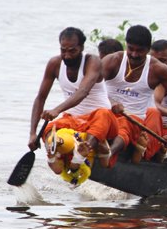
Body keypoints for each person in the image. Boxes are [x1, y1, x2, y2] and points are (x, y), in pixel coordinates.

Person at [29, 27, 118, 184]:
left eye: (72, 51)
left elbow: (82, 92)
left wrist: (56, 109)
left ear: (82, 48)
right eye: (63, 50)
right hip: (74, 120)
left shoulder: (93, 61)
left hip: (100, 119)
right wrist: (33, 133)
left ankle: (82, 154)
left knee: (103, 114)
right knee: (51, 128)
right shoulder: (55, 64)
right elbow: (40, 97)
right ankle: (55, 155)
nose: (67, 55)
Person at [103, 25, 167, 164]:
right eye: (131, 49)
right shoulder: (112, 60)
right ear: (126, 45)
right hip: (106, 112)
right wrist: (111, 103)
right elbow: (90, 87)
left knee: (128, 124)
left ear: (148, 50)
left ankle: (108, 154)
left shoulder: (158, 69)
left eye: (140, 51)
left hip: (133, 120)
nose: (134, 54)